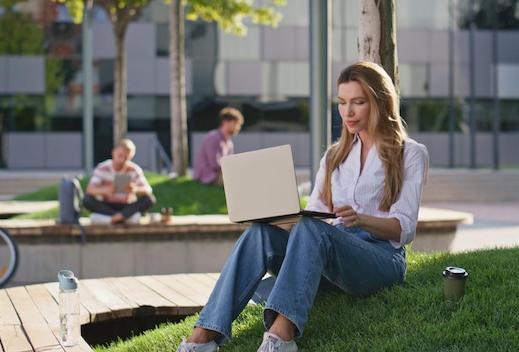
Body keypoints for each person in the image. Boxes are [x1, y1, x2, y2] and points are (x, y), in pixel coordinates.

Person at [176, 61, 429, 352]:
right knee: (261, 233)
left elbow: (405, 229)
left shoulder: (410, 153)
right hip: (329, 257)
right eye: (342, 102)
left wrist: (361, 220)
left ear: (380, 102)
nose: (347, 112)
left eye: (358, 102)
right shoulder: (336, 155)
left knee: (315, 231)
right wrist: (278, 219)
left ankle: (279, 338)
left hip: (380, 259)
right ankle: (202, 338)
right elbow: (316, 215)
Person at [83, 138, 156, 224]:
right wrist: (106, 189)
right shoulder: (102, 168)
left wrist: (135, 189)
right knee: (87, 199)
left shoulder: (134, 169)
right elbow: (90, 190)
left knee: (149, 199)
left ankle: (112, 219)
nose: (122, 160)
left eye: (126, 158)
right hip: (107, 205)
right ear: (114, 152)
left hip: (126, 206)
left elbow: (148, 189)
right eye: (120, 156)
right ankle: (121, 218)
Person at [193, 107, 244, 186]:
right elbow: (215, 165)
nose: (238, 127)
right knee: (237, 182)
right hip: (209, 177)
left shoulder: (229, 142)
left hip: (220, 175)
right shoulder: (213, 138)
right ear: (225, 122)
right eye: (235, 124)